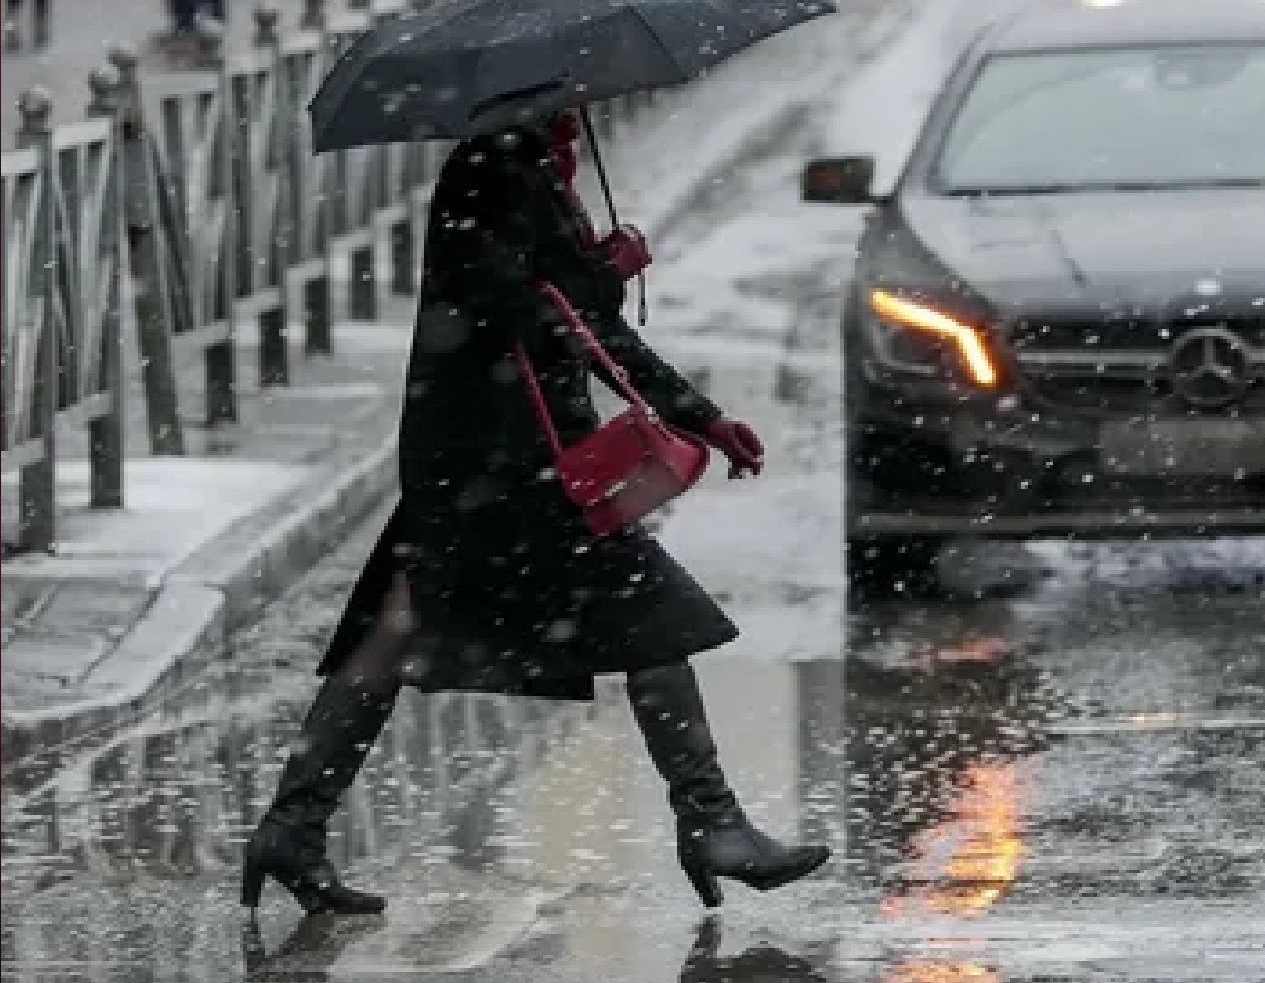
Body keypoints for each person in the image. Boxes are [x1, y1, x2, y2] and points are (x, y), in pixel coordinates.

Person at [241, 107, 829, 916]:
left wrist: (700, 416)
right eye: (567, 103)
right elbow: (522, 308)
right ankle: (711, 820)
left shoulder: (534, 171)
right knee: (650, 616)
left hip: (486, 454)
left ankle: (291, 828)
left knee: (397, 627)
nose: (580, 120)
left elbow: (591, 328)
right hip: (503, 458)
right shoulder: (492, 171)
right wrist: (603, 271)